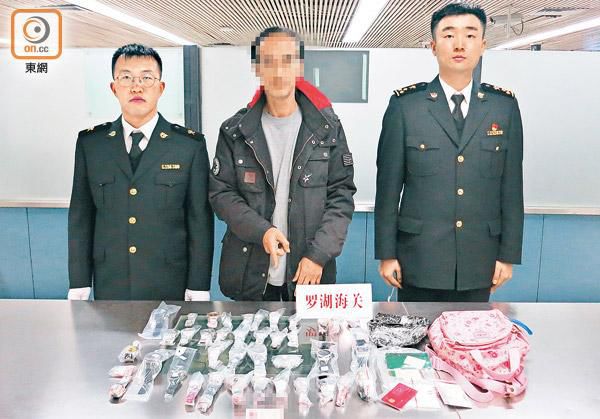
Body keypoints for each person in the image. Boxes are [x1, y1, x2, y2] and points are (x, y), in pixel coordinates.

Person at [375, 3, 524, 302]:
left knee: (472, 332)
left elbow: (511, 188)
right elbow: (388, 188)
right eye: (448, 35)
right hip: (418, 258)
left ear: (483, 45)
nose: (459, 44)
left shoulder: (503, 107)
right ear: (433, 46)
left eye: (470, 35)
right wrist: (386, 254)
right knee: (417, 333)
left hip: (479, 259)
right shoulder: (406, 107)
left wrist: (508, 255)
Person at [209, 27, 356, 301]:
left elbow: (341, 196)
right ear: (257, 68)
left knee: (309, 332)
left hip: (309, 272)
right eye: (268, 61)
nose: (278, 71)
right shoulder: (234, 131)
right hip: (249, 274)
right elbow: (222, 194)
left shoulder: (327, 129)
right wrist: (262, 231)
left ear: (299, 66)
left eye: (287, 60)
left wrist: (318, 255)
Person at [68, 44, 213, 300]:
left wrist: (199, 285)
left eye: (146, 78)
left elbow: (199, 220)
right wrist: (79, 282)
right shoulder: (92, 144)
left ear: (161, 87)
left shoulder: (189, 146)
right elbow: (81, 217)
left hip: (169, 279)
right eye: (126, 77)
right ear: (114, 88)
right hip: (111, 280)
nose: (136, 87)